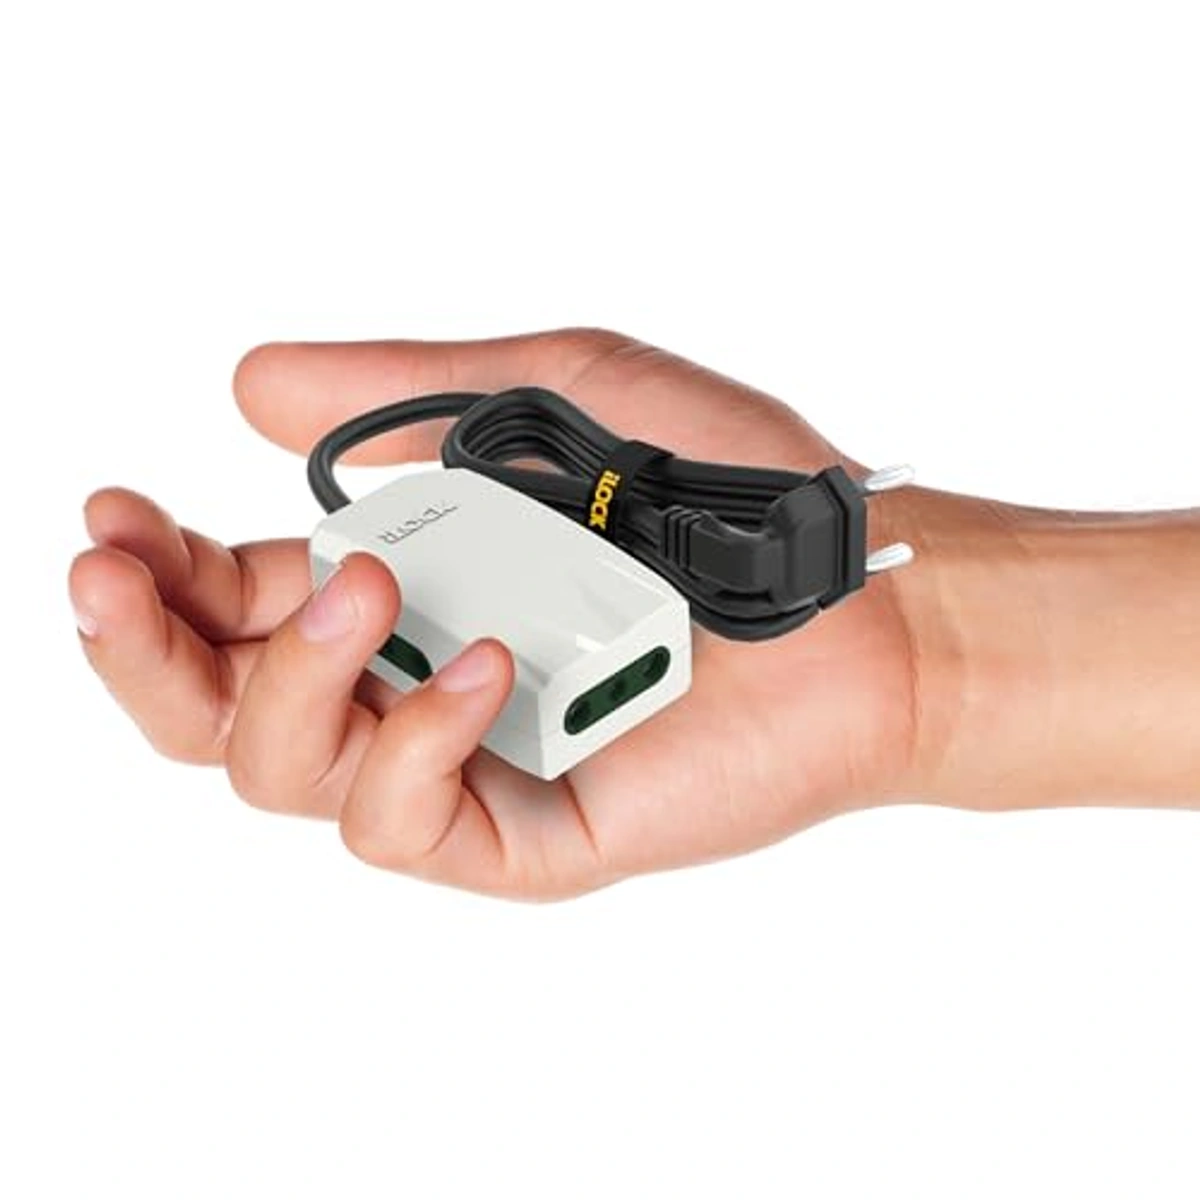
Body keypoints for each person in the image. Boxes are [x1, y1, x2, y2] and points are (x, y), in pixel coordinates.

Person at [67, 329, 1200, 898]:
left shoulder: (487, 497)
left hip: (618, 601)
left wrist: (928, 637)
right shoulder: (417, 513)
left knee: (397, 592)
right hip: (558, 587)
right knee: (383, 591)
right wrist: (936, 647)